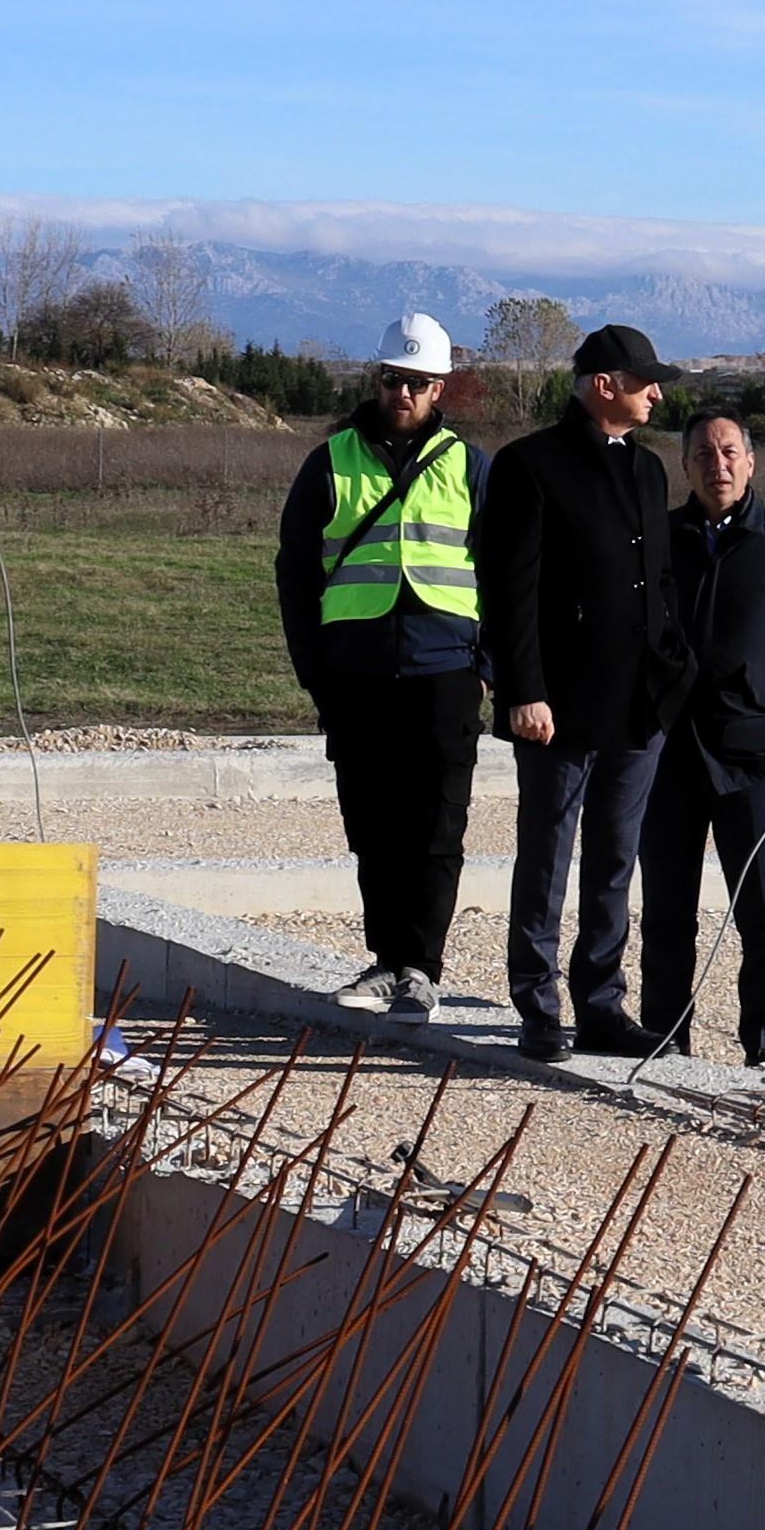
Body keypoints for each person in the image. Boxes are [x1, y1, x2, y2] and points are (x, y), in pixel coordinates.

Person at [477, 322, 690, 1058]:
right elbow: (511, 593)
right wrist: (522, 690)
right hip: (557, 705)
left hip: (640, 703)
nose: (657, 394)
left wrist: (673, 667)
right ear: (604, 386)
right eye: (645, 382)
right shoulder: (528, 466)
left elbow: (658, 581)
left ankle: (600, 1004)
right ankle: (538, 1004)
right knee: (547, 855)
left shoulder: (649, 470)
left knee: (615, 858)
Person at [271, 316, 483, 1019]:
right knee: (372, 826)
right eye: (394, 380)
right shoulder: (330, 461)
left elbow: (508, 574)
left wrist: (489, 667)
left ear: (440, 387)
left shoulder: (469, 466)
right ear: (377, 379)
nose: (404, 393)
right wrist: (315, 671)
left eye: (418, 383)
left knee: (436, 826)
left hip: (444, 669)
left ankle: (422, 966)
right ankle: (387, 959)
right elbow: (295, 574)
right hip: (356, 673)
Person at [639, 412, 765, 1065]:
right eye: (704, 454)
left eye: (730, 451)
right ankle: (663, 1042)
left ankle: (762, 1053)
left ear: (751, 461)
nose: (719, 464)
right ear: (684, 467)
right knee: (666, 917)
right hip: (670, 758)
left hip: (756, 760)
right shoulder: (657, 541)